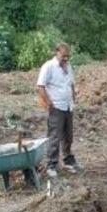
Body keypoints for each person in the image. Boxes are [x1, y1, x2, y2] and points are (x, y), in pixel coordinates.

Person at [37, 42, 79, 177]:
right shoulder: (48, 66)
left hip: (68, 106)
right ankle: (51, 164)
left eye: (68, 56)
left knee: (68, 135)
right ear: (57, 53)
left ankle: (68, 160)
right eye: (64, 56)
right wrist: (49, 103)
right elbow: (40, 86)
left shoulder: (68, 66)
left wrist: (73, 98)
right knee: (54, 136)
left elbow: (71, 84)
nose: (66, 59)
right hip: (56, 107)